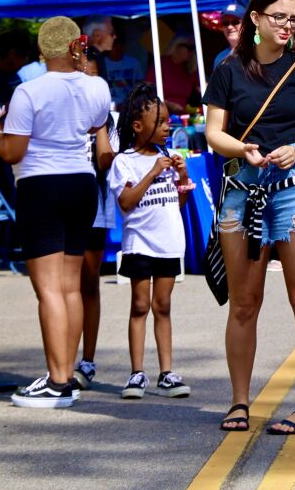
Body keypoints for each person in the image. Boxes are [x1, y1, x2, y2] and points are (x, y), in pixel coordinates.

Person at [202, 0, 295, 435]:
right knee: (243, 304)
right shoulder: (227, 70)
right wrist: (242, 149)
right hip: (244, 190)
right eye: (279, 16)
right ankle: (239, 402)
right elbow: (214, 133)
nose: (288, 24)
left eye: (293, 17)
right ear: (255, 18)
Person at [0, 17, 114, 408]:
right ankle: (66, 375)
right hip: (81, 183)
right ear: (77, 47)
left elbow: (14, 151)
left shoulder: (28, 91)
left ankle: (57, 379)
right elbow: (96, 125)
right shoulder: (97, 85)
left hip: (41, 184)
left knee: (48, 290)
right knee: (69, 286)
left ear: (43, 51)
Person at [108, 84, 193, 400]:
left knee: (164, 305)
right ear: (138, 126)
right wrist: (152, 174)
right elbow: (126, 202)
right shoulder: (125, 162)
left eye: (168, 121)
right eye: (160, 123)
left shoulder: (169, 156)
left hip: (169, 241)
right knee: (140, 305)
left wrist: (183, 178)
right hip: (140, 243)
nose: (167, 127)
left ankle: (167, 372)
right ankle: (136, 373)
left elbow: (178, 203)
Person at [73, 43, 115, 391]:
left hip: (96, 205)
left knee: (88, 282)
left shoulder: (109, 118)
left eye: (92, 74)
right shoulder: (62, 107)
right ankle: (61, 359)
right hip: (63, 203)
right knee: (63, 285)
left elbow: (106, 162)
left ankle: (86, 361)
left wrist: (99, 123)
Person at [101, 27, 148, 105]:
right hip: (109, 105)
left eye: (121, 44)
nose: (118, 48)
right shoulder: (102, 64)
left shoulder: (133, 62)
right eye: (115, 45)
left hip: (130, 105)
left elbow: (140, 85)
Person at [213, 3, 244, 70]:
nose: (229, 27)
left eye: (235, 22)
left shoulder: (258, 52)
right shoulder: (220, 58)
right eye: (225, 23)